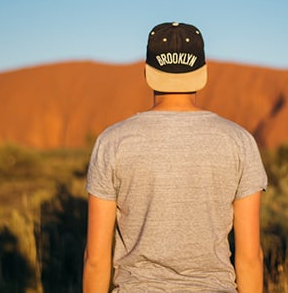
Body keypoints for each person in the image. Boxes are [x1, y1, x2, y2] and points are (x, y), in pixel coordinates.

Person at [84, 22, 268, 292]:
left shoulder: (112, 142)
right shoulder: (239, 142)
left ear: (147, 72)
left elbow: (96, 259)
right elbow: (251, 258)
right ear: (203, 73)